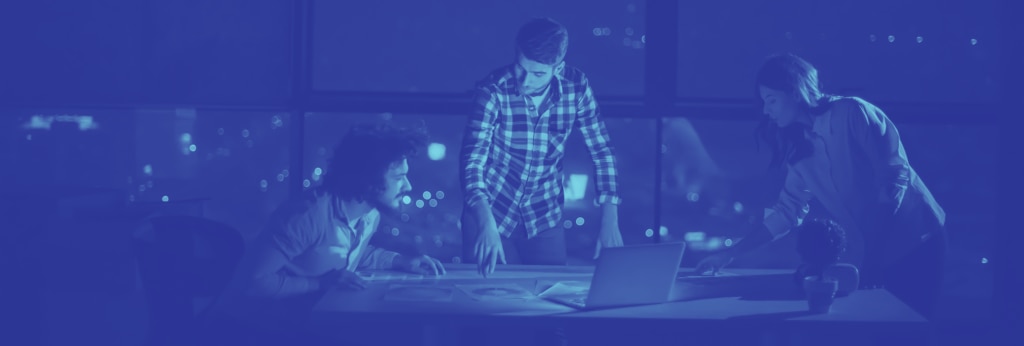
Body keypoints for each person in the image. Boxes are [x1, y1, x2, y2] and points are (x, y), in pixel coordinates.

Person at [696, 53, 948, 319]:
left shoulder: (852, 112)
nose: (766, 111)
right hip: (874, 255)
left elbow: (894, 178)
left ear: (794, 91)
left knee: (913, 330)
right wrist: (730, 254)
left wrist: (870, 255)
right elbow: (786, 213)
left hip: (918, 240)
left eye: (771, 100)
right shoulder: (801, 152)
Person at [203, 122, 446, 345]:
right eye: (399, 177)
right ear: (368, 178)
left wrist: (399, 261)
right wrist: (319, 283)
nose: (408, 186)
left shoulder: (369, 213)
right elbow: (253, 283)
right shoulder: (309, 215)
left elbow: (347, 252)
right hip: (245, 332)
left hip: (294, 331)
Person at [461, 17, 624, 278]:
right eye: (520, 69)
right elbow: (472, 161)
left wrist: (609, 219)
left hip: (544, 217)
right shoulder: (493, 90)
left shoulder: (577, 87)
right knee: (492, 302)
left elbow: (602, 150)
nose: (525, 82)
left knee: (550, 298)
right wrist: (484, 220)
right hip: (491, 214)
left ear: (558, 68)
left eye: (538, 74)